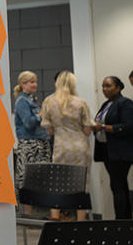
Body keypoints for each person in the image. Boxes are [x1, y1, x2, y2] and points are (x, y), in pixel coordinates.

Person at [40, 71, 92, 221]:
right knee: (82, 183)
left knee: (57, 182)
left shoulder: (48, 101)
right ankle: (81, 219)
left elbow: (49, 130)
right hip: (80, 147)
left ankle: (55, 216)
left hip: (61, 147)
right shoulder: (80, 102)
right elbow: (87, 130)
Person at [92, 76, 133, 219]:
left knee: (118, 187)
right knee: (117, 187)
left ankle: (121, 221)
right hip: (107, 151)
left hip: (120, 152)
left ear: (118, 87)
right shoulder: (106, 104)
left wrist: (103, 127)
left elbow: (128, 127)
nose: (105, 89)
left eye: (108, 86)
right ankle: (124, 220)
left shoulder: (125, 103)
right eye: (103, 86)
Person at [13, 70, 51, 214]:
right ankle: (27, 215)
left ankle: (37, 213)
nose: (35, 84)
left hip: (41, 143)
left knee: (39, 180)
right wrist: (41, 115)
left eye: (35, 81)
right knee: (27, 179)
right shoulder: (22, 101)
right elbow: (29, 123)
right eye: (31, 82)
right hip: (30, 144)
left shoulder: (33, 99)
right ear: (23, 84)